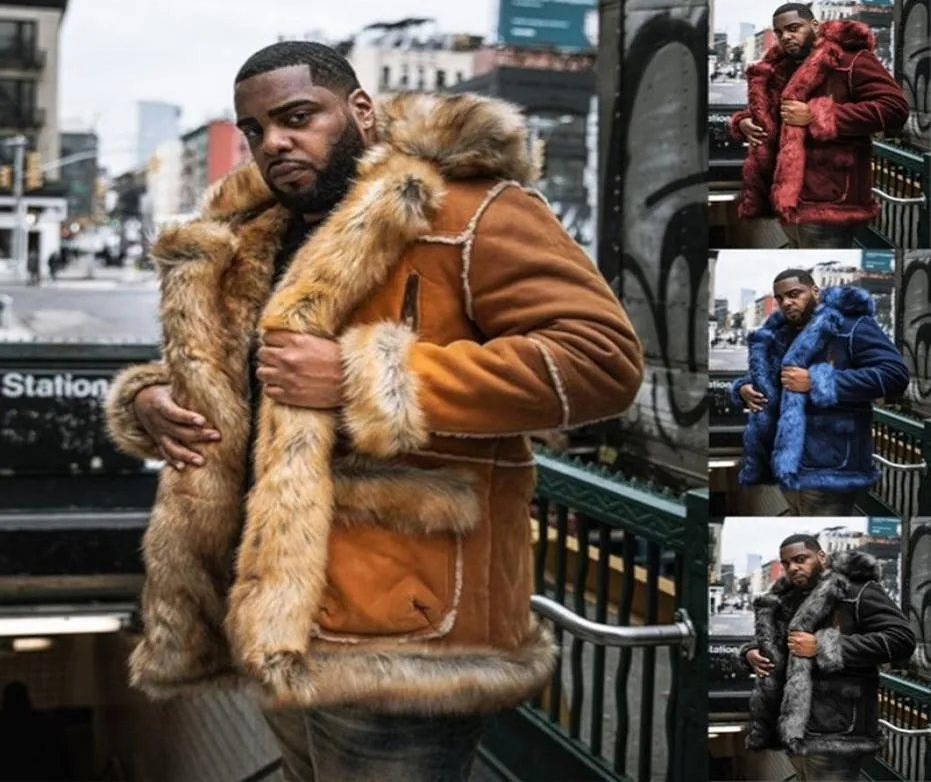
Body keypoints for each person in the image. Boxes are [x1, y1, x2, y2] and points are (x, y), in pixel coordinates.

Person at [104, 41, 644, 781]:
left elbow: (601, 361)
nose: (275, 143)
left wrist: (363, 377)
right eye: (256, 129)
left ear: (358, 108)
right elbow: (246, 376)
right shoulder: (253, 232)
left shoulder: (472, 208)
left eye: (298, 117)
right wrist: (150, 397)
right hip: (270, 618)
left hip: (404, 634)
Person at [730, 269, 909, 516]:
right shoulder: (780, 333)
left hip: (831, 467)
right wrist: (743, 388)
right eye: (780, 298)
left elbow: (894, 374)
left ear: (815, 291)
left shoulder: (851, 324)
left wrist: (816, 381)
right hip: (785, 465)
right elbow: (778, 378)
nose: (786, 303)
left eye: (794, 294)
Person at [731, 3, 909, 249]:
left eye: (794, 28)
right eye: (780, 32)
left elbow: (894, 109)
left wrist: (816, 115)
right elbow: (773, 112)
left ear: (814, 25)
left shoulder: (851, 58)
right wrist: (744, 121)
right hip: (786, 197)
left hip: (830, 200)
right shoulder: (780, 67)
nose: (786, 37)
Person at [740, 535, 915, 780]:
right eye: (787, 563)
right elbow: (777, 643)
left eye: (801, 559)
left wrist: (822, 646)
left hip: (837, 733)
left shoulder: (857, 590)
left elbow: (901, 640)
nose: (793, 568)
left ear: (821, 557)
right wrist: (750, 652)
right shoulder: (787, 597)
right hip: (793, 731)